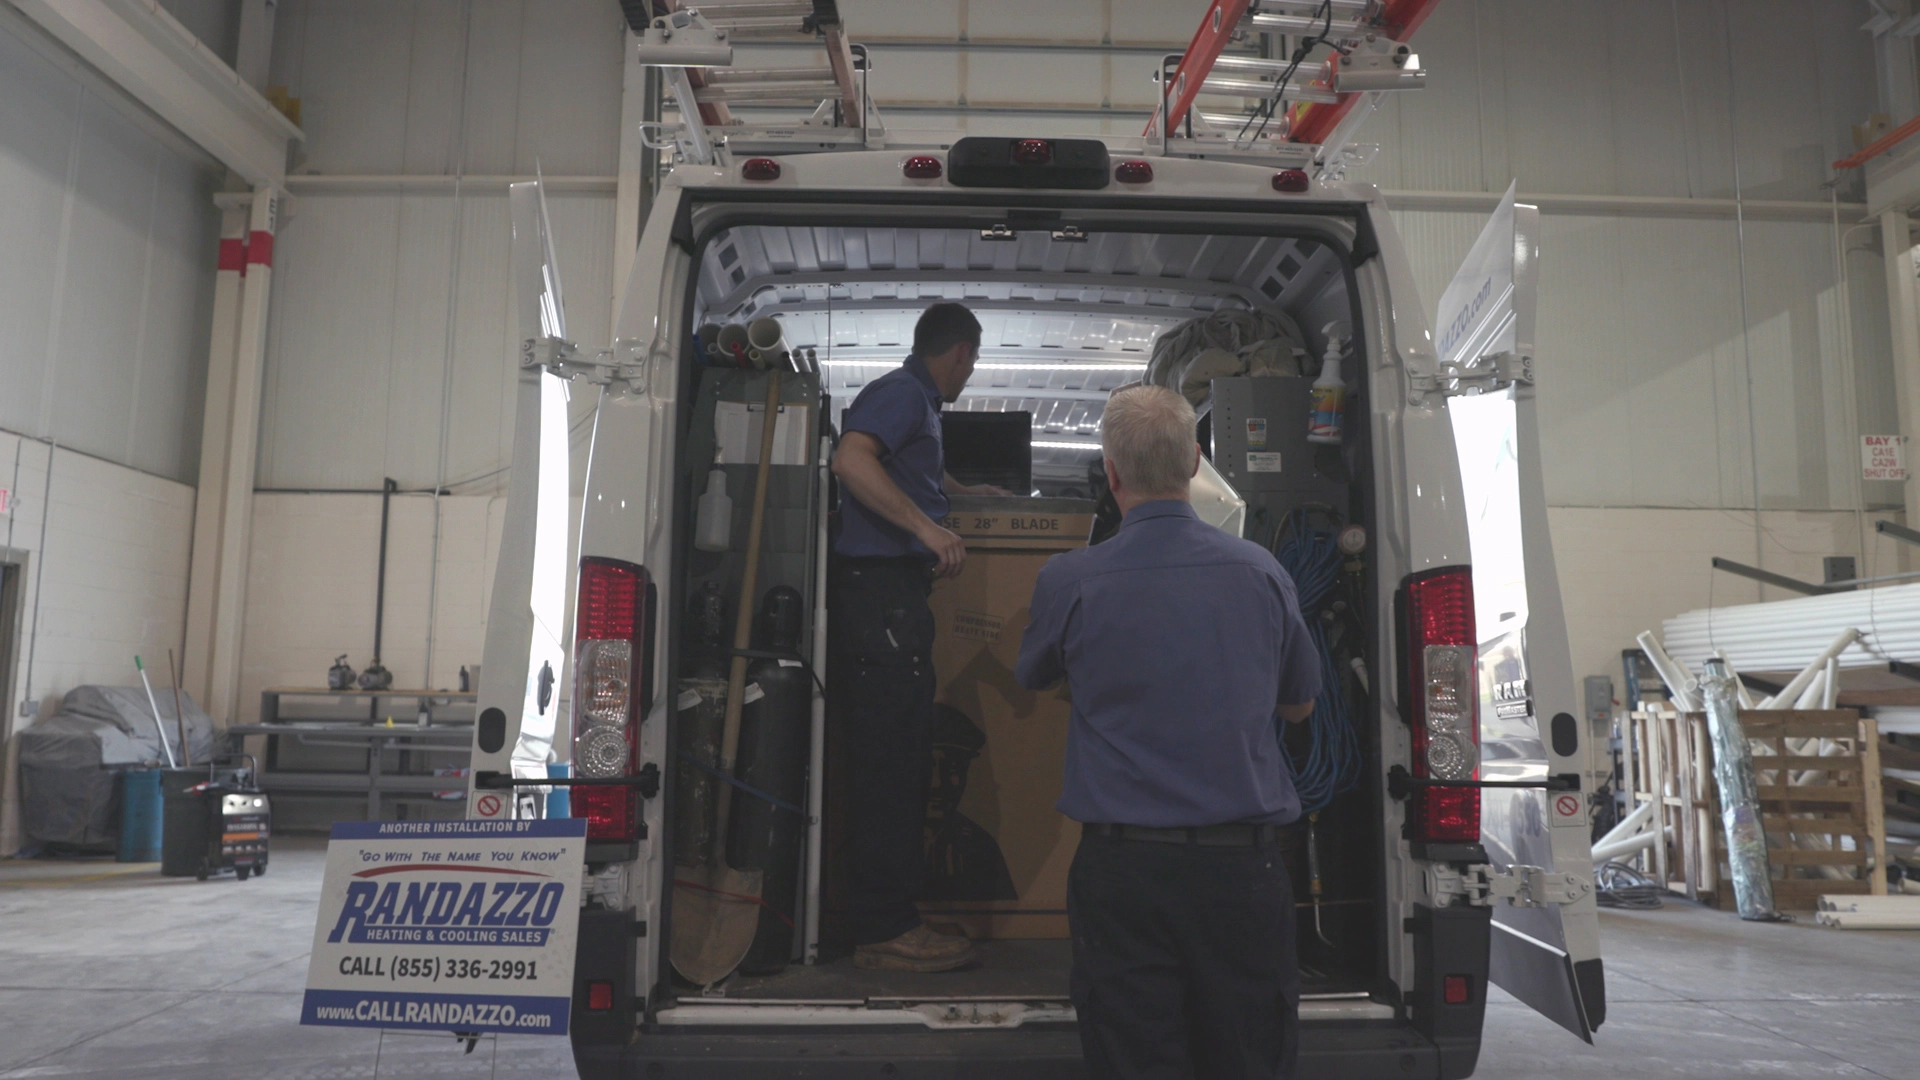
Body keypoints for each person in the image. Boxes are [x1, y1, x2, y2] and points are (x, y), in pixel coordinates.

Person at [1015, 383, 1320, 1078]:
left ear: (1110, 472)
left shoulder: (1070, 579)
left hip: (1124, 875)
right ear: (1195, 462)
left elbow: (1032, 677)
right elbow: (1300, 705)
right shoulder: (1262, 573)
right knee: (1249, 1057)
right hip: (1241, 873)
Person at [829, 301, 1008, 972]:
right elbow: (852, 461)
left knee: (903, 753)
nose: (970, 371)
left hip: (893, 600)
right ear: (961, 353)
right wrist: (928, 530)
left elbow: (904, 468)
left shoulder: (916, 402)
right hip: (880, 595)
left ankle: (893, 913)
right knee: (891, 760)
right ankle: (883, 928)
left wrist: (963, 490)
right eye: (974, 361)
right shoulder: (902, 392)